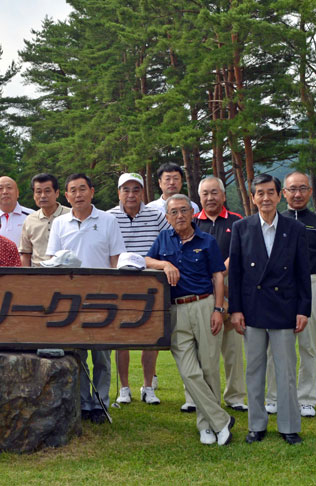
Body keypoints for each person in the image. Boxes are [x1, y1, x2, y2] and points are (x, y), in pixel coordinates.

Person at [145, 195, 234, 445]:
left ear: (192, 213)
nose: (179, 216)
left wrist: (218, 309)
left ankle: (206, 426)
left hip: (204, 305)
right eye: (174, 212)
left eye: (184, 210)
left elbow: (218, 276)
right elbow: (146, 260)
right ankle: (221, 420)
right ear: (167, 217)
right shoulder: (163, 238)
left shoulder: (207, 241)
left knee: (209, 369)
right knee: (189, 371)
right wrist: (164, 264)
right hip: (175, 310)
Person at [229, 173, 310, 445]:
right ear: (253, 198)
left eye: (270, 192)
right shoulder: (241, 228)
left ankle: (289, 426)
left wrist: (303, 309)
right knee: (254, 370)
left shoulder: (295, 229)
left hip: (284, 307)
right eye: (260, 193)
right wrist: (235, 310)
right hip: (251, 308)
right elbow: (236, 274)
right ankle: (256, 424)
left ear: (279, 196)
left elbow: (302, 272)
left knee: (286, 370)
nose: (265, 198)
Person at [47, 173, 126, 424]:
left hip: (102, 297)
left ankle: (100, 404)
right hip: (71, 298)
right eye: (73, 190)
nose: (78, 194)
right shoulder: (59, 223)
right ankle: (82, 403)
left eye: (82, 189)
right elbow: (53, 261)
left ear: (92, 191)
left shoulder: (108, 220)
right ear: (66, 195)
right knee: (77, 354)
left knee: (102, 355)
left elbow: (116, 259)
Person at [263, 172, 316, 418]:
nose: (297, 194)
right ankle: (274, 396)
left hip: (312, 283)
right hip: (279, 288)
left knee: (308, 345)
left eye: (302, 188)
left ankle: (306, 399)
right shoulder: (276, 220)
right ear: (283, 193)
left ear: (310, 191)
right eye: (292, 189)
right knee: (276, 346)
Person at [107, 173, 168, 405]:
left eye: (136, 189)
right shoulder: (109, 217)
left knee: (149, 337)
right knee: (121, 338)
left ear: (142, 192)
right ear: (118, 192)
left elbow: (168, 241)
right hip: (119, 283)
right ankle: (124, 388)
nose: (131, 194)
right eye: (126, 189)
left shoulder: (156, 215)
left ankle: (148, 386)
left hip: (150, 283)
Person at [194, 175, 246, 413]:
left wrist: (219, 275)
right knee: (202, 349)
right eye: (205, 193)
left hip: (231, 289)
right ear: (199, 197)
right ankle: (197, 396)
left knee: (233, 349)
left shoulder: (237, 221)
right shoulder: (192, 222)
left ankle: (235, 396)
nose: (210, 197)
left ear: (223, 196)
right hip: (202, 290)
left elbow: (238, 253)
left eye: (214, 192)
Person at [19, 173, 70, 267]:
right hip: (38, 273)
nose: (43, 196)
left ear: (57, 193)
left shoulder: (70, 215)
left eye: (47, 191)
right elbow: (25, 254)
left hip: (66, 272)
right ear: (34, 195)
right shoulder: (30, 220)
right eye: (38, 192)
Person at [0, 176, 34, 247]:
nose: (5, 192)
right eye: (0, 189)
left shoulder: (32, 216)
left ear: (17, 193)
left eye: (9, 188)